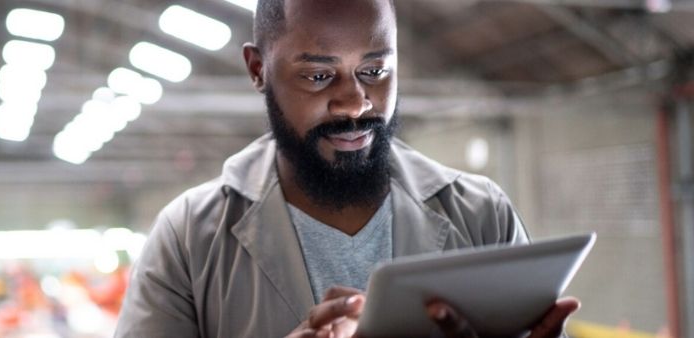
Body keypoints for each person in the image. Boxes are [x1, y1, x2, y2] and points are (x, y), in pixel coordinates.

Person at [115, 0, 580, 337]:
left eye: (375, 71)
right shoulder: (189, 237)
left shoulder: (482, 215)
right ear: (258, 69)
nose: (356, 103)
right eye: (319, 76)